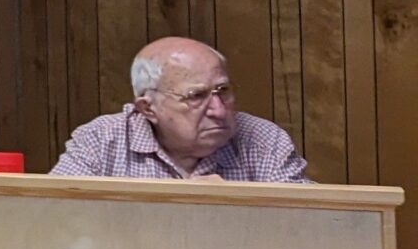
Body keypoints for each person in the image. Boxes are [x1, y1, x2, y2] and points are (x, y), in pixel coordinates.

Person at [50, 36, 309, 182]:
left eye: (223, 90)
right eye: (196, 96)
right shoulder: (101, 141)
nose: (219, 111)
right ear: (148, 108)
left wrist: (237, 206)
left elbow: (310, 229)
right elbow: (53, 220)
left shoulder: (263, 140)